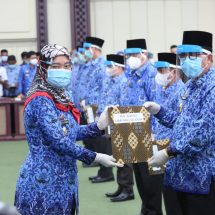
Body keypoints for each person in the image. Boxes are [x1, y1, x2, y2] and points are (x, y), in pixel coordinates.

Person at [14, 44, 122, 215]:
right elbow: (58, 140)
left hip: (65, 179)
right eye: (55, 66)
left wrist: (98, 127)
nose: (62, 71)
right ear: (43, 67)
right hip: (43, 182)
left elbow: (69, 131)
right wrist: (96, 156)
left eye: (66, 66)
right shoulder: (40, 98)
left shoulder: (60, 95)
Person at [146, 31, 215, 215]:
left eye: (192, 55)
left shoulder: (212, 87)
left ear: (209, 57)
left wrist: (169, 151)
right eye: (183, 56)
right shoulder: (190, 86)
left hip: (200, 177)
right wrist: (159, 111)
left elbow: (202, 134)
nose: (186, 61)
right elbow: (180, 122)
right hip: (177, 173)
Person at [122, 39, 163, 215]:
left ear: (143, 54)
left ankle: (153, 211)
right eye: (128, 55)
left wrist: (154, 135)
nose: (131, 58)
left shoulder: (151, 74)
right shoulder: (130, 73)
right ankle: (146, 209)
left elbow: (157, 106)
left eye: (134, 55)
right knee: (139, 177)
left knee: (151, 180)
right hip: (132, 132)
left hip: (149, 134)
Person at [98, 54, 135, 202]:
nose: (108, 69)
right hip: (113, 123)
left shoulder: (124, 82)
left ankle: (128, 190)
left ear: (119, 67)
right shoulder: (112, 81)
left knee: (125, 158)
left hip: (122, 123)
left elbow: (124, 105)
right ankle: (121, 187)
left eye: (110, 66)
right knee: (117, 156)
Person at [153, 52, 184, 215]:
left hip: (174, 146)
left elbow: (179, 122)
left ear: (173, 71)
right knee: (166, 190)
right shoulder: (162, 88)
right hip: (159, 141)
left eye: (162, 70)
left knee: (175, 196)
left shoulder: (180, 90)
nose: (159, 75)